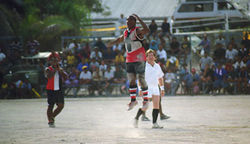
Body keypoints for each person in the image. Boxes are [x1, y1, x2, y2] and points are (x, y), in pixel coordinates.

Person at [108, 14, 150, 111]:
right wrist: (112, 43)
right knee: (131, 80)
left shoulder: (137, 30)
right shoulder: (126, 32)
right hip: (130, 58)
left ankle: (145, 100)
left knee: (141, 79)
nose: (127, 22)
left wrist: (139, 18)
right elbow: (120, 39)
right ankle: (133, 100)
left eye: (129, 21)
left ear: (134, 22)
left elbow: (147, 30)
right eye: (127, 21)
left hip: (139, 57)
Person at [134, 49, 165, 128]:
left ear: (155, 57)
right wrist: (140, 89)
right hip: (146, 88)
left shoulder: (157, 66)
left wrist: (162, 88)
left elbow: (160, 78)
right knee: (145, 106)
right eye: (149, 56)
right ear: (146, 58)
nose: (151, 57)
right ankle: (136, 118)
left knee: (156, 106)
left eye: (152, 55)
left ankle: (154, 124)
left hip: (155, 88)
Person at [45, 56, 68, 128]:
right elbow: (49, 77)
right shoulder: (48, 69)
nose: (55, 62)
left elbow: (66, 77)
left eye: (56, 61)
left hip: (59, 89)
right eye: (53, 61)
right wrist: (55, 70)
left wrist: (60, 71)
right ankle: (50, 121)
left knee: (61, 105)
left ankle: (52, 117)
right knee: (50, 105)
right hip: (51, 89)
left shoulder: (60, 69)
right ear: (51, 62)